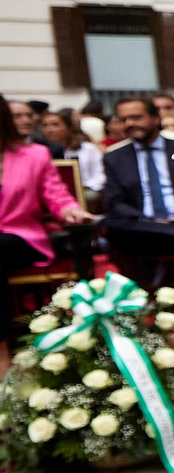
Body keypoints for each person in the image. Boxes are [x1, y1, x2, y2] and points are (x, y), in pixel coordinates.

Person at [0, 93, 92, 369]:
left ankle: (2, 356)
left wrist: (70, 210)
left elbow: (56, 194)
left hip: (20, 235)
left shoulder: (34, 155)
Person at [102, 97, 174, 289]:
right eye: (123, 119)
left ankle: (160, 292)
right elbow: (115, 202)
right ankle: (149, 293)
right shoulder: (114, 158)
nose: (130, 124)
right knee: (112, 227)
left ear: (155, 118)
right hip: (142, 228)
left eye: (136, 117)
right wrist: (150, 220)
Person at [39, 110, 105, 192]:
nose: (49, 129)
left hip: (86, 191)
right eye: (44, 125)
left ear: (68, 127)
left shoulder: (87, 149)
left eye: (55, 125)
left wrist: (84, 186)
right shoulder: (39, 152)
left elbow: (100, 175)